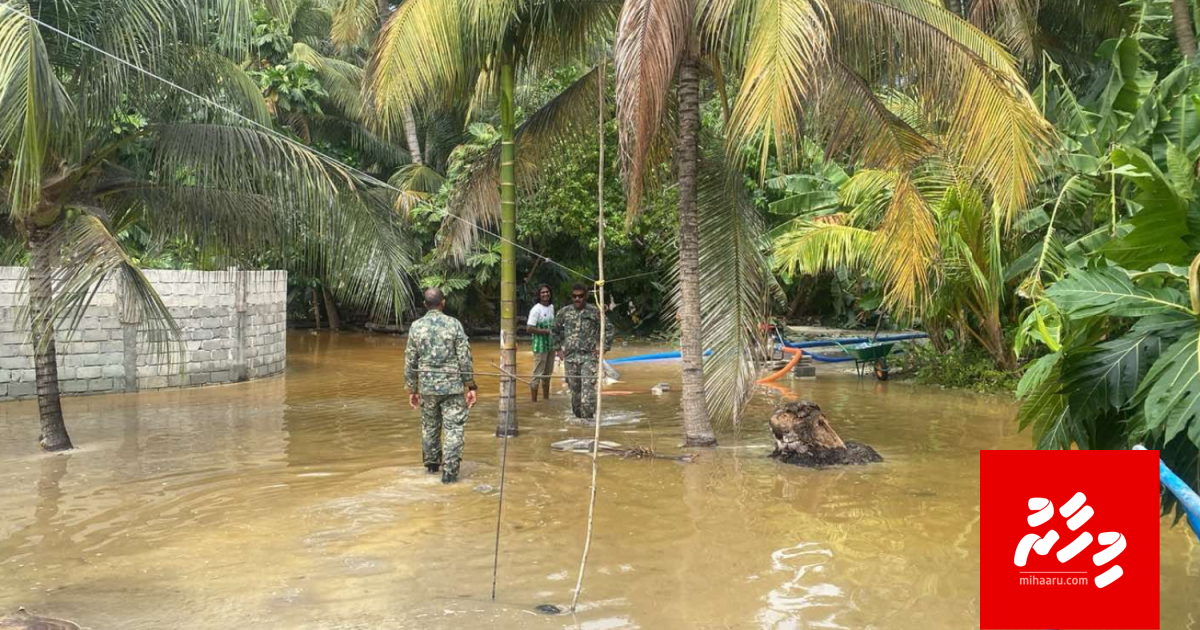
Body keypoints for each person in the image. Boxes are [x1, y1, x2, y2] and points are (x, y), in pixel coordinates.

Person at [404, 288, 477, 484]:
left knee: (430, 427)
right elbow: (464, 358)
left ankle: (431, 468)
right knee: (454, 429)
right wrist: (471, 386)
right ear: (443, 303)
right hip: (452, 387)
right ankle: (450, 475)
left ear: (425, 305)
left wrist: (412, 389)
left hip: (427, 387)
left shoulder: (416, 327)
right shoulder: (454, 324)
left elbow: (410, 361)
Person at [552, 284, 614, 420]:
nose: (577, 299)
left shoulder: (594, 312)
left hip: (588, 358)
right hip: (570, 358)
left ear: (585, 296)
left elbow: (609, 328)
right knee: (576, 397)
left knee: (587, 395)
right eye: (574, 296)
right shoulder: (564, 312)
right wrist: (558, 349)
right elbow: (553, 330)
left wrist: (604, 349)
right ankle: (579, 427)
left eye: (580, 296)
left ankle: (588, 422)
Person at [524, 284, 556, 402]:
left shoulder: (551, 307)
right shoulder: (536, 309)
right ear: (539, 295)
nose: (545, 294)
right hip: (540, 345)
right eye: (543, 292)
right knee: (537, 374)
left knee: (547, 374)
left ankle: (546, 399)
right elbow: (529, 328)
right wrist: (546, 331)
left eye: (547, 292)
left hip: (551, 345)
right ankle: (534, 402)